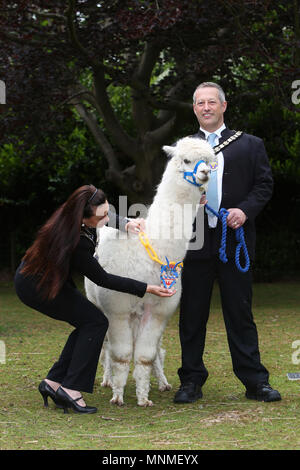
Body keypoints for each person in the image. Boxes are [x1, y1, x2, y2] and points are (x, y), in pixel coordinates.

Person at [14, 184, 175, 414]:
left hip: (41, 279)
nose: (107, 218)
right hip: (36, 286)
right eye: (102, 216)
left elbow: (106, 216)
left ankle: (53, 382)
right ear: (83, 216)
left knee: (87, 322)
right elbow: (103, 279)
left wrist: (126, 223)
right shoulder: (76, 241)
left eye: (108, 211)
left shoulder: (72, 214)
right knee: (95, 322)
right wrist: (147, 287)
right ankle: (71, 389)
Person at [173, 82, 281, 404]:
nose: (205, 107)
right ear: (194, 108)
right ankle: (191, 381)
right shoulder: (184, 148)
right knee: (192, 314)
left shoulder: (249, 145)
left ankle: (255, 381)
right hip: (194, 241)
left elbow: (264, 184)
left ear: (223, 106)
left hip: (234, 240)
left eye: (211, 102)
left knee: (240, 312)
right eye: (199, 103)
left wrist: (244, 211)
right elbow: (172, 190)